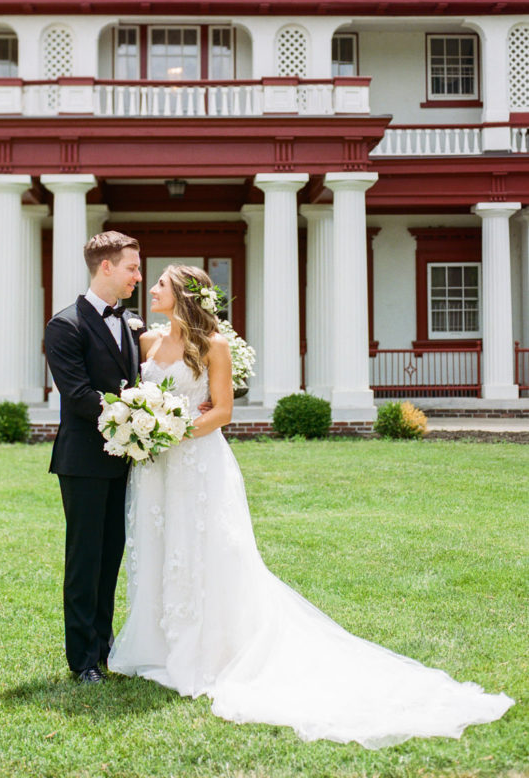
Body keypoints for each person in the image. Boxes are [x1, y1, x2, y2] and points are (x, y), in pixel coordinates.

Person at [109, 263, 514, 747]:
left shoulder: (213, 346)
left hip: (196, 461)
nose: (151, 289)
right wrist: (145, 428)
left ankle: (208, 650)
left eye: (159, 285)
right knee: (158, 544)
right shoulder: (148, 342)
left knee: (206, 548)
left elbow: (222, 410)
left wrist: (170, 431)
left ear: (182, 295)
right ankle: (157, 643)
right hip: (157, 468)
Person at [44, 231, 143, 684]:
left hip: (124, 460)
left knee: (111, 556)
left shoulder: (129, 322)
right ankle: (81, 660)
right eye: (131, 268)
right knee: (85, 559)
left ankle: (103, 650)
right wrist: (138, 416)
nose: (137, 277)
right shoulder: (64, 325)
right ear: (106, 267)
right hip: (82, 460)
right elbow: (79, 395)